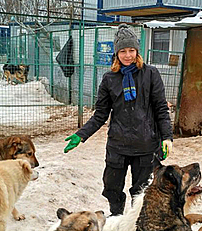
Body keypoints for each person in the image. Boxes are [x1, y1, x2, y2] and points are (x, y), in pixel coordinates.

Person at [64, 23, 173, 216]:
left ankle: (135, 223)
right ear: (116, 53)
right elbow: (100, 115)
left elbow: (161, 109)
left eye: (131, 50)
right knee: (111, 188)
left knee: (141, 192)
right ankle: (116, 218)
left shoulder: (150, 74)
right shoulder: (109, 79)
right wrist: (81, 135)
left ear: (137, 51)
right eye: (123, 51)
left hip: (146, 146)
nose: (128, 55)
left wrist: (167, 138)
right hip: (118, 146)